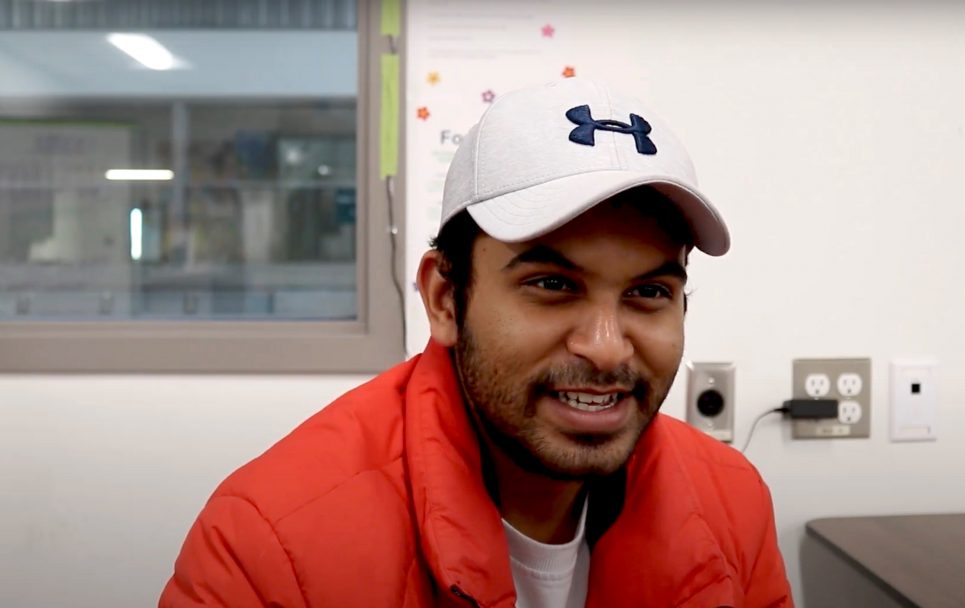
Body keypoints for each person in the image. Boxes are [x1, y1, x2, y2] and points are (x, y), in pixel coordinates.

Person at [160, 78, 793, 608]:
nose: (606, 349)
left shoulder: (731, 500)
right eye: (552, 283)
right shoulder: (271, 544)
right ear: (444, 298)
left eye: (649, 292)